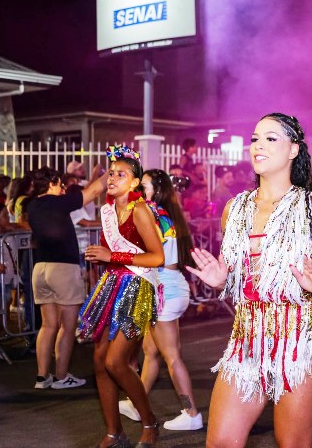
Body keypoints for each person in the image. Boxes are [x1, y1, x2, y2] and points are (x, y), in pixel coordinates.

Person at [186, 112, 312, 447]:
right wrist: (220, 280)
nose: (258, 146)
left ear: (294, 150)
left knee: (291, 443)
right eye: (255, 139)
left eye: (271, 138)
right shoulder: (235, 208)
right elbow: (233, 272)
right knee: (220, 443)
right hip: (247, 339)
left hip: (301, 340)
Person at [79, 146, 165, 448]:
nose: (113, 177)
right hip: (112, 283)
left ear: (134, 183)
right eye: (111, 172)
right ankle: (114, 433)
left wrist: (110, 254)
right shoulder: (107, 210)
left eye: (121, 174)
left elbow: (157, 258)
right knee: (100, 361)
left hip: (136, 287)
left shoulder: (139, 210)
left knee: (117, 362)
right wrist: (103, 258)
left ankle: (150, 422)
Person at [118, 168, 202, 431]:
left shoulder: (153, 213)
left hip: (165, 289)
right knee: (150, 351)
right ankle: (136, 402)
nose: (139, 190)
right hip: (171, 287)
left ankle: (191, 413)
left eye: (144, 186)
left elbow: (153, 257)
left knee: (172, 357)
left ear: (158, 190)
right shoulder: (166, 214)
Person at [27, 164, 105, 391]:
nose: (63, 187)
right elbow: (93, 192)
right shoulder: (60, 203)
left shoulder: (32, 205)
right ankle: (61, 376)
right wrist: (116, 169)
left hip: (40, 269)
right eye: (60, 183)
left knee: (48, 325)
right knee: (68, 326)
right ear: (51, 183)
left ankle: (42, 377)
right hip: (63, 268)